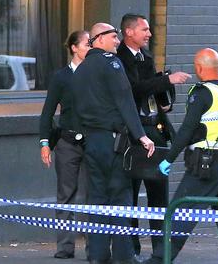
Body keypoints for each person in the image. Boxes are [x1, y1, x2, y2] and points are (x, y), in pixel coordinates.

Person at [147, 48, 218, 264]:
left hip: (205, 166)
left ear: (200, 68)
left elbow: (186, 130)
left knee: (179, 213)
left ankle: (159, 260)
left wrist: (168, 159)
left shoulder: (202, 92)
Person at [72, 22, 155, 264]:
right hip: (113, 142)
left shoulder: (82, 69)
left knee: (97, 198)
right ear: (98, 39)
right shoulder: (112, 62)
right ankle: (123, 256)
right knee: (120, 198)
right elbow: (125, 100)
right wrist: (141, 135)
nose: (117, 40)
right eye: (112, 36)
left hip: (91, 141)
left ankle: (97, 255)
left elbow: (75, 108)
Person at [115, 13, 191, 259]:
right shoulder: (121, 59)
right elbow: (134, 90)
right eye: (144, 29)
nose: (149, 34)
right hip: (135, 134)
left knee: (159, 191)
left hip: (155, 130)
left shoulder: (145, 56)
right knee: (132, 193)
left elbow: (150, 89)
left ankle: (161, 249)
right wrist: (167, 79)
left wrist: (164, 90)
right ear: (129, 32)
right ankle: (132, 249)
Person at [39, 30, 91, 259]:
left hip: (93, 141)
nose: (91, 47)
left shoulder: (95, 74)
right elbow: (47, 112)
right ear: (74, 48)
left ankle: (94, 246)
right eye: (87, 43)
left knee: (93, 195)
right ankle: (65, 246)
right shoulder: (61, 77)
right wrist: (44, 143)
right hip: (68, 141)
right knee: (66, 193)